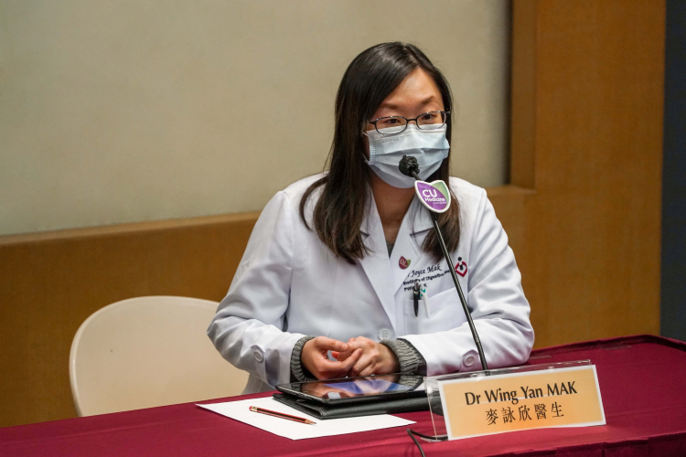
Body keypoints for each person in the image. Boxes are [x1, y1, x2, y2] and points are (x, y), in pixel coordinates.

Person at [208, 42, 534, 394]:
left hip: (428, 412)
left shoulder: (470, 207)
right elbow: (233, 325)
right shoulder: (296, 210)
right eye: (391, 120)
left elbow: (510, 330)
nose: (413, 133)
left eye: (428, 117)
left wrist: (403, 355)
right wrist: (298, 353)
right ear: (356, 129)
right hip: (319, 411)